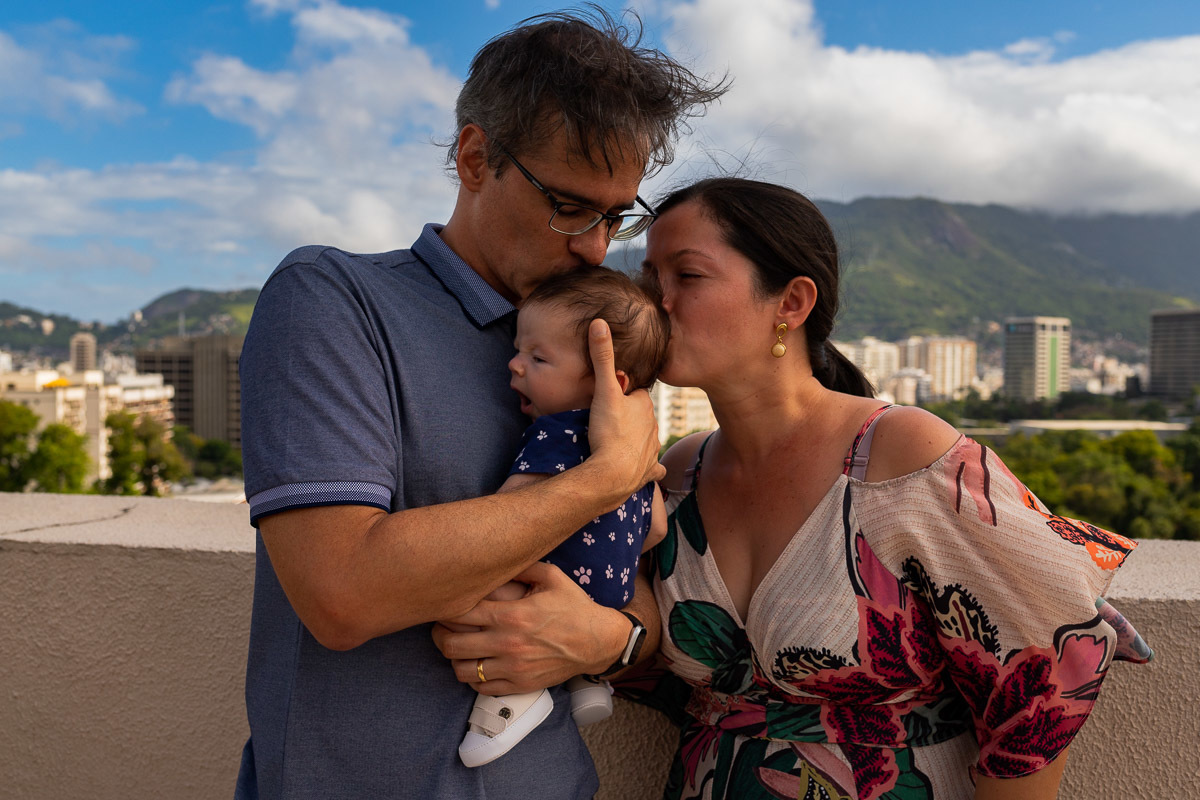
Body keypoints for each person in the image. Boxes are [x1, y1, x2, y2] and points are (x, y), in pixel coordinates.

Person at [234, 8, 725, 799]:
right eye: (569, 205)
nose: (595, 246)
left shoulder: (596, 342)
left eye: (615, 216)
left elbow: (627, 571)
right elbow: (341, 592)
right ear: (473, 156)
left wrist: (609, 635)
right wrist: (599, 479)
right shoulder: (334, 301)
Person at [624, 177, 1153, 799]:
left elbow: (1046, 671)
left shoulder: (901, 456)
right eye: (647, 278)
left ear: (790, 303)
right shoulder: (680, 470)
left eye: (686, 277)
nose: (653, 301)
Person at [454, 266, 670, 767]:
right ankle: (589, 682)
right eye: (519, 350)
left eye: (538, 357)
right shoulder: (637, 452)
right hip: (611, 600)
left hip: (555, 590)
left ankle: (512, 701)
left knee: (470, 588)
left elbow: (509, 518)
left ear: (605, 382)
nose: (514, 366)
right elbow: (656, 527)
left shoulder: (558, 433)